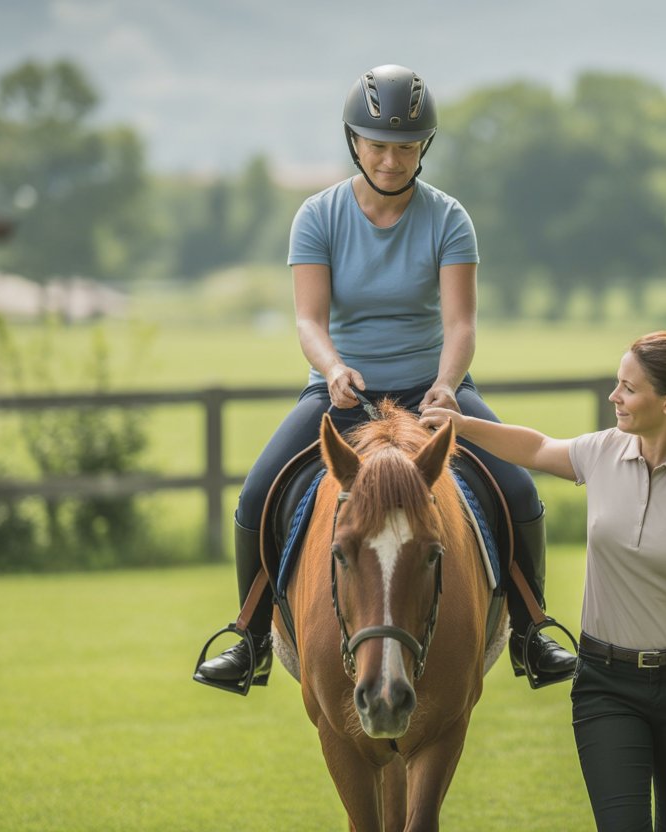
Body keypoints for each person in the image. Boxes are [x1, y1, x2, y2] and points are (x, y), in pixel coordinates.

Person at [194, 63, 575, 691]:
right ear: (353, 142)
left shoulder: (449, 218)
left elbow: (461, 326)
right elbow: (309, 321)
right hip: (341, 392)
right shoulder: (317, 216)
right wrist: (333, 367)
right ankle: (251, 637)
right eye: (378, 145)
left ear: (424, 147)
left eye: (405, 146)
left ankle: (532, 634)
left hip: (436, 391)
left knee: (518, 490)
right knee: (259, 491)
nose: (392, 160)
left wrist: (448, 386)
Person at [420, 330, 666, 832]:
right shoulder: (602, 453)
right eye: (617, 383)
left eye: (628, 388)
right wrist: (461, 425)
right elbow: (538, 447)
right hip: (606, 685)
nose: (615, 396)